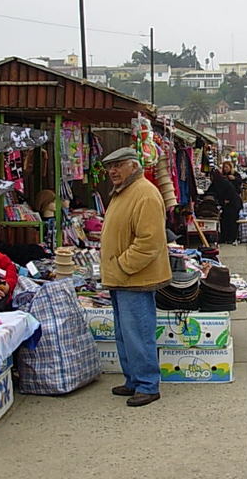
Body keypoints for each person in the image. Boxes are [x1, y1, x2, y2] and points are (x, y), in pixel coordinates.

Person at [100, 146, 170, 407]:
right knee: (124, 334)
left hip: (135, 279)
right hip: (121, 278)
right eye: (110, 167)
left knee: (138, 334)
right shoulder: (124, 193)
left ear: (133, 166)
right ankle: (133, 380)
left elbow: (149, 243)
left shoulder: (145, 194)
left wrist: (121, 265)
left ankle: (148, 385)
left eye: (118, 166)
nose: (113, 171)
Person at [206, 168, 244, 244]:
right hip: (229, 203)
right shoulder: (218, 182)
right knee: (224, 220)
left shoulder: (221, 182)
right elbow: (210, 192)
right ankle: (225, 237)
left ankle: (231, 238)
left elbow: (228, 194)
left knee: (231, 221)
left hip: (233, 203)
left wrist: (223, 200)